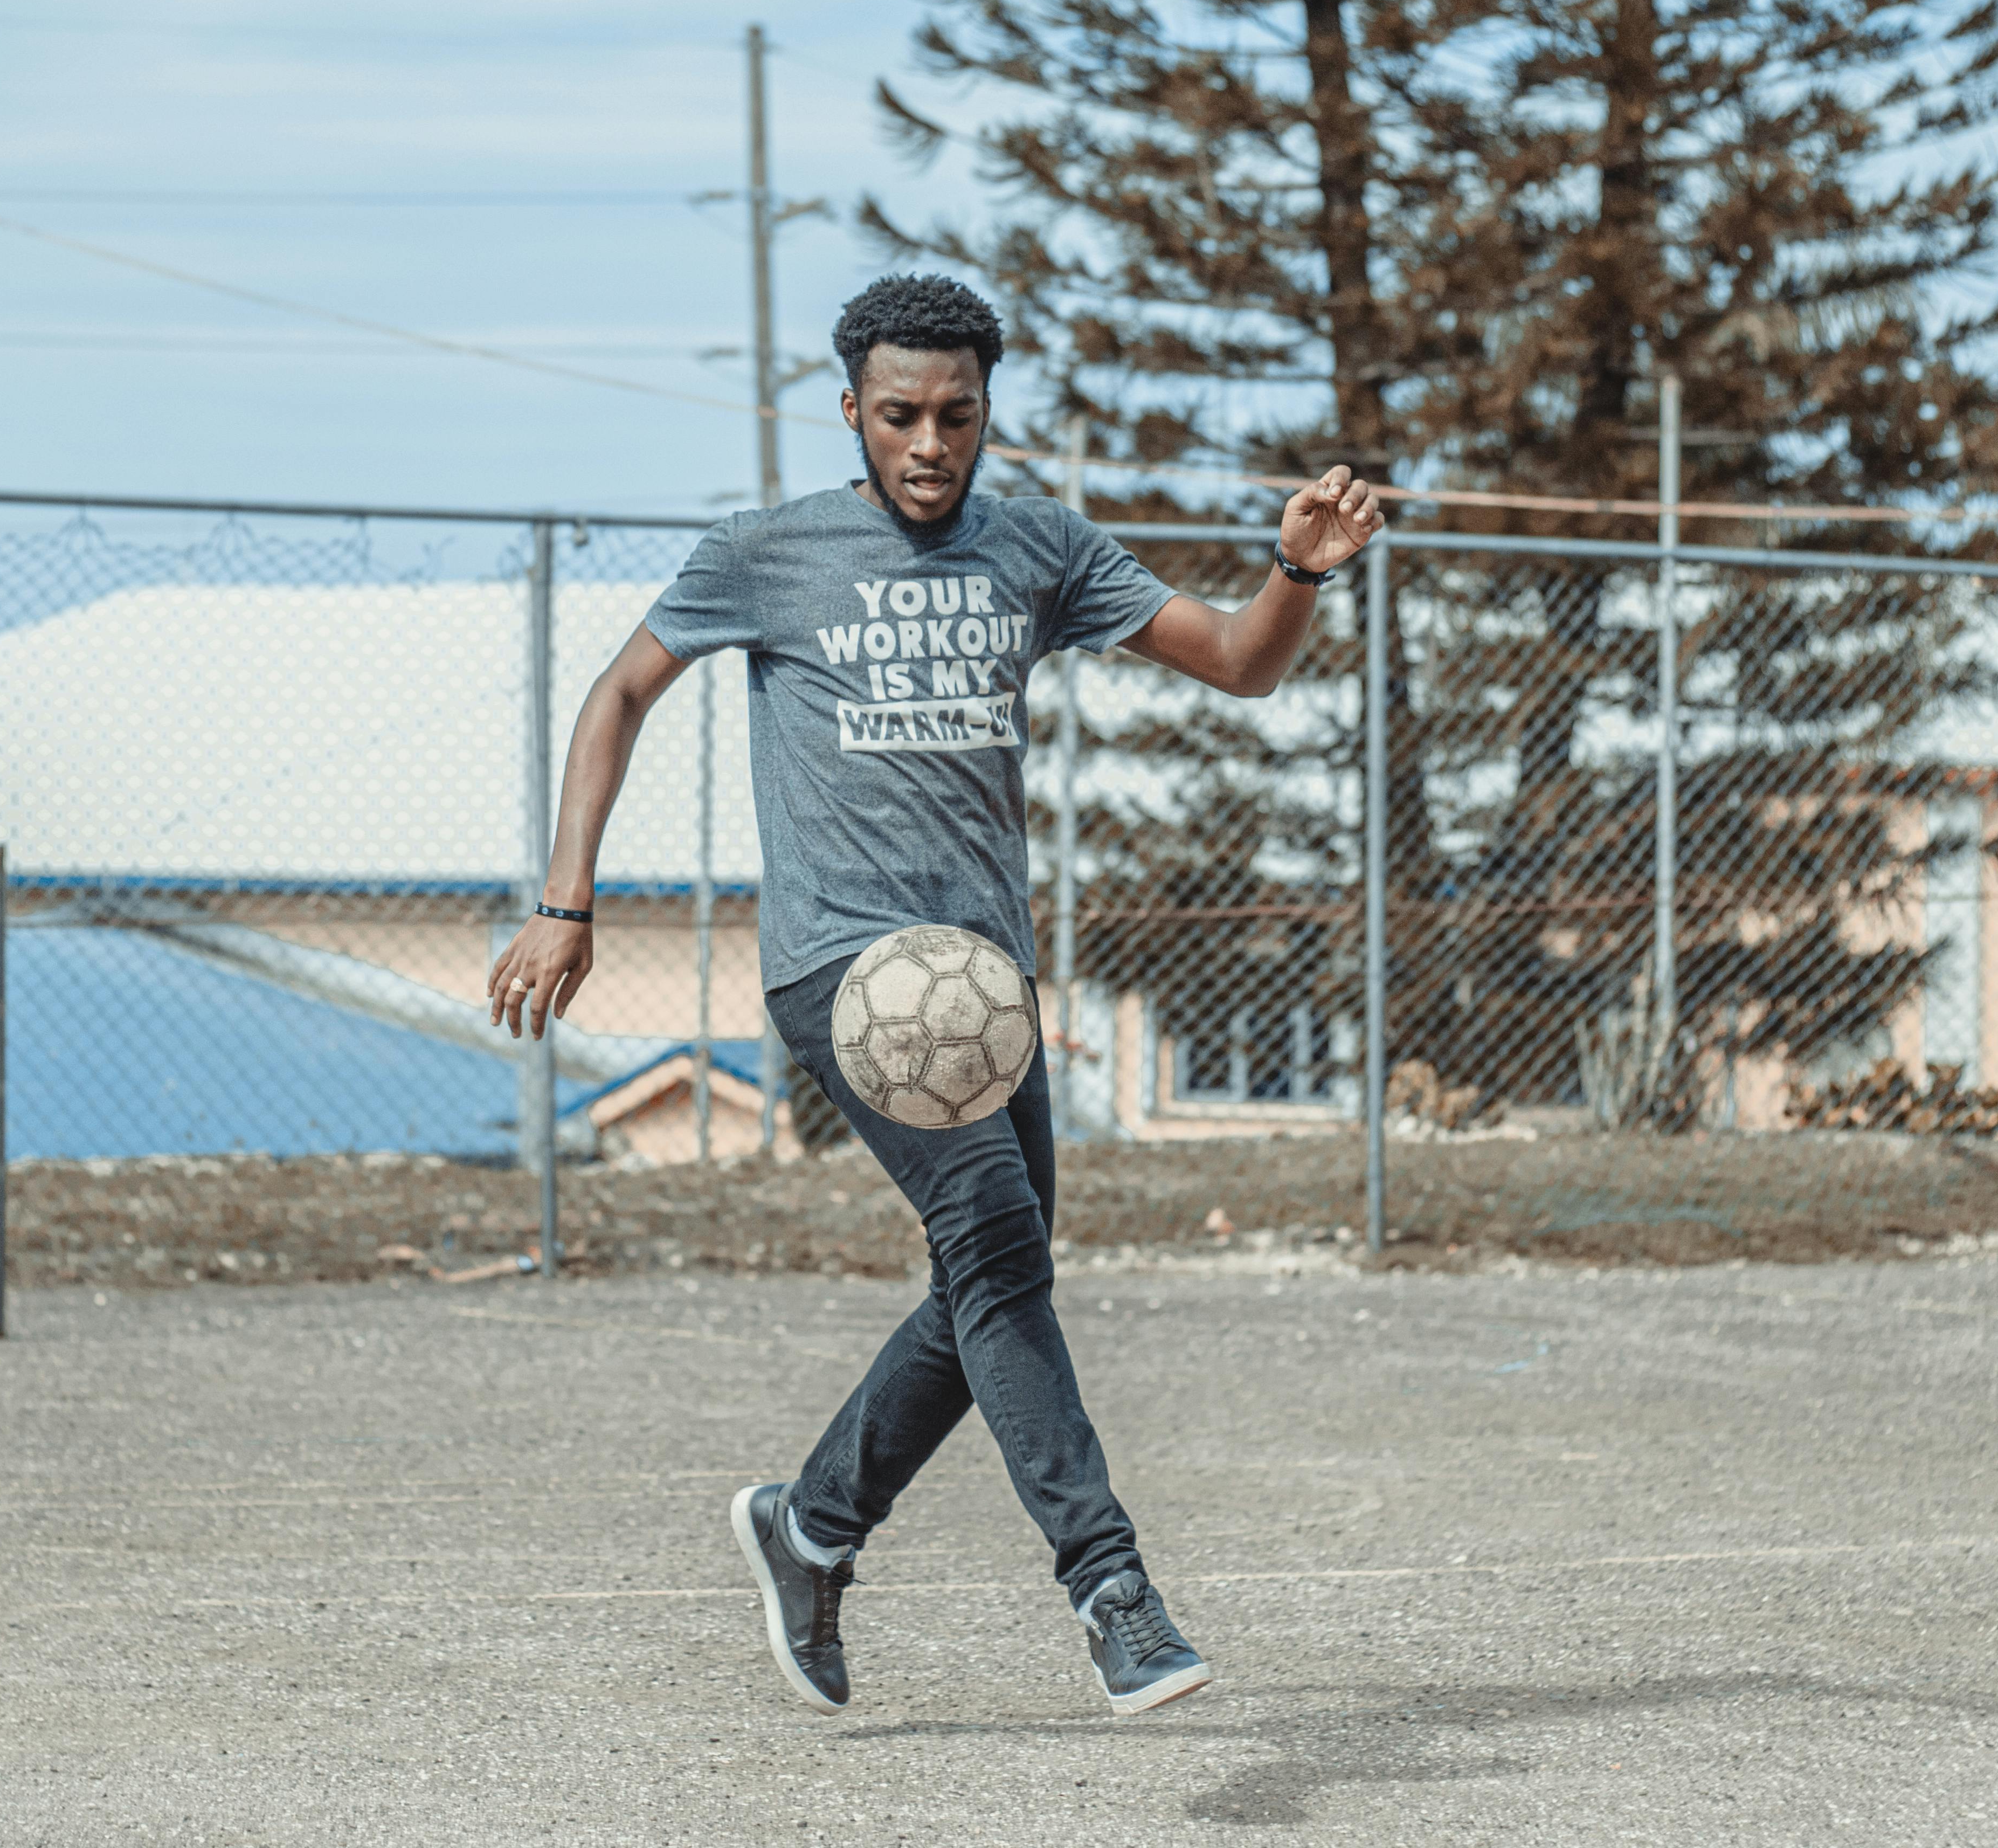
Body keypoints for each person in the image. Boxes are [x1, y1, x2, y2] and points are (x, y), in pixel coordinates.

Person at [486, 274, 1382, 1716]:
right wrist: (565, 901)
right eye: (899, 414)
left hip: (983, 984)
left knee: (996, 1272)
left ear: (984, 414)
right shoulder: (772, 554)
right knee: (990, 1231)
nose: (927, 442)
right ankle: (1111, 1591)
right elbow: (621, 691)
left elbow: (1237, 664)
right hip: (844, 968)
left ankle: (813, 1525)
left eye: (955, 416)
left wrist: (1301, 571)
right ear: (851, 412)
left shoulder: (1037, 548)